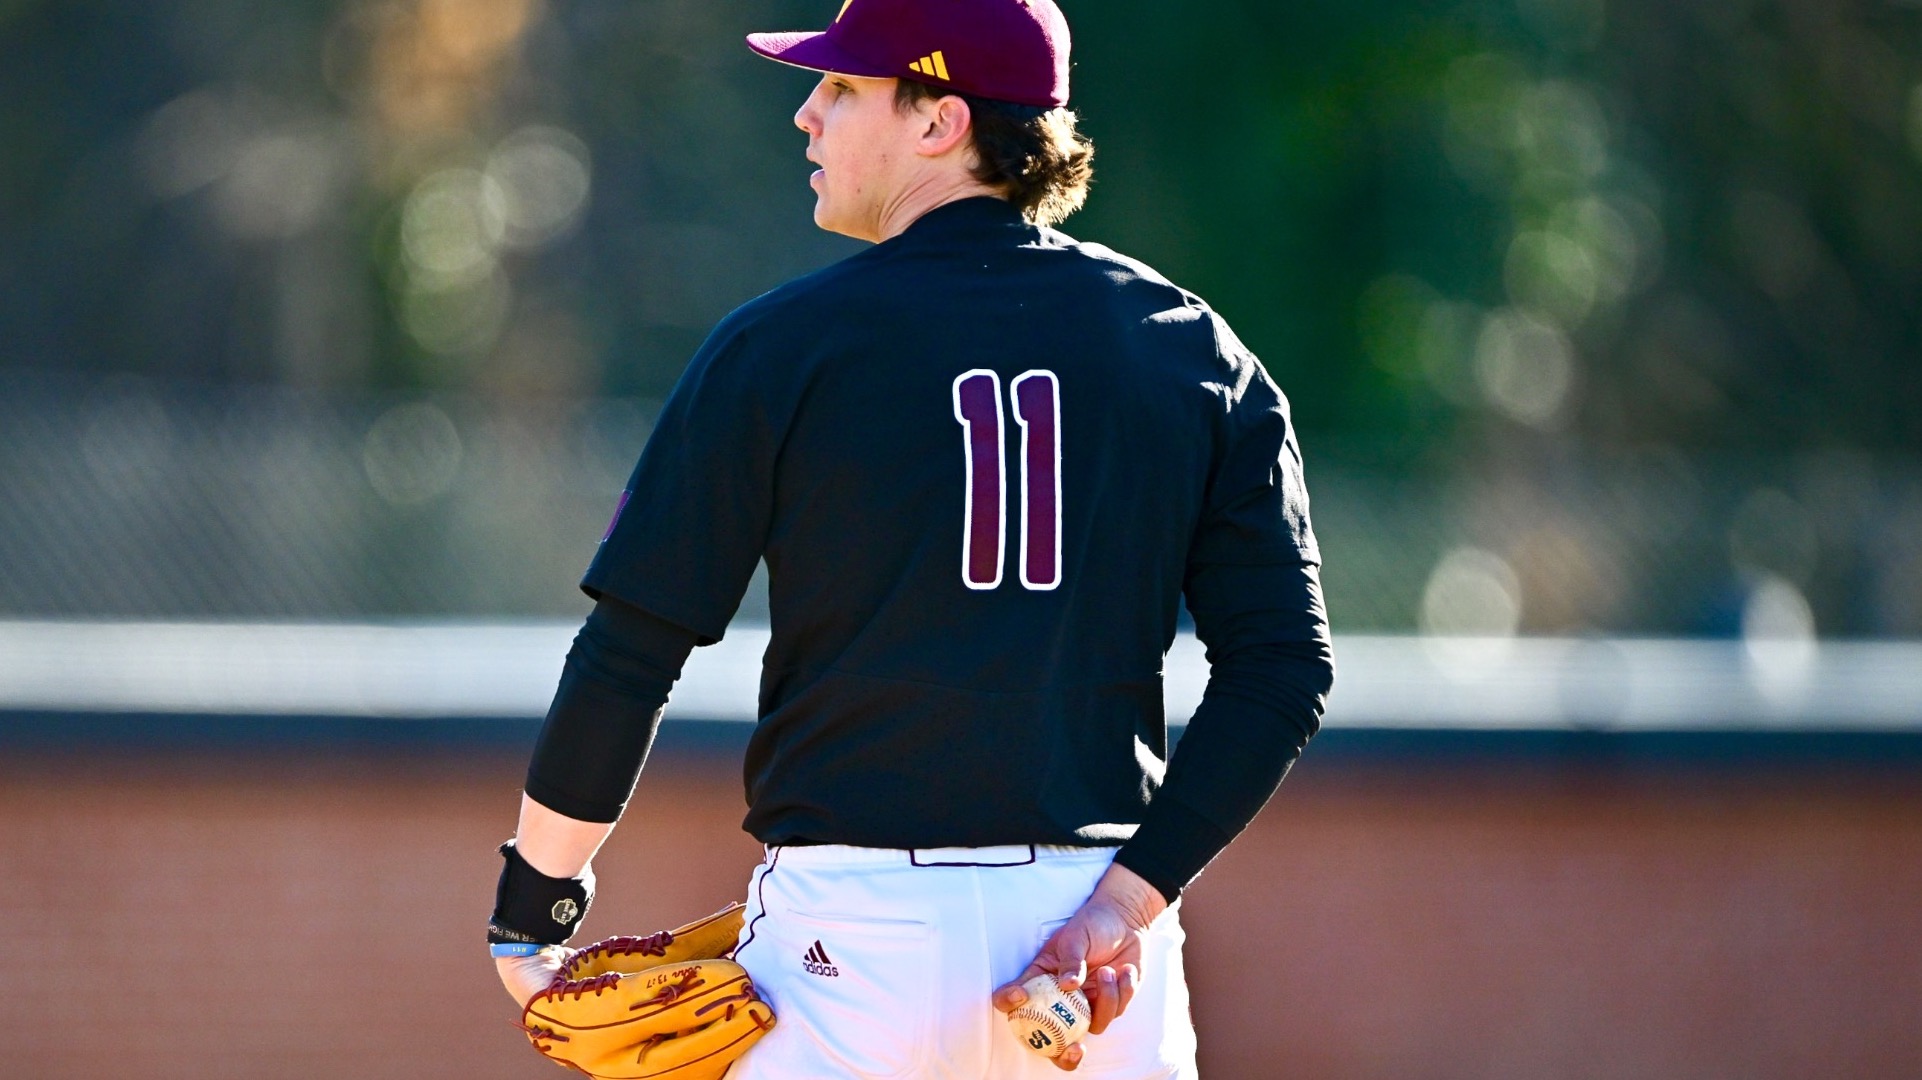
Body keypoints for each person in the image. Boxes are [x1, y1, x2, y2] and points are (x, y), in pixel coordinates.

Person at [487, 0, 1334, 1076]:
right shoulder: (1192, 350)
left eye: (842, 88)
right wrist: (1128, 898)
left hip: (854, 945)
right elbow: (1282, 668)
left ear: (939, 121)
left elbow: (629, 653)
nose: (806, 114)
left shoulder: (780, 344)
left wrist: (535, 908)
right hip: (1083, 962)